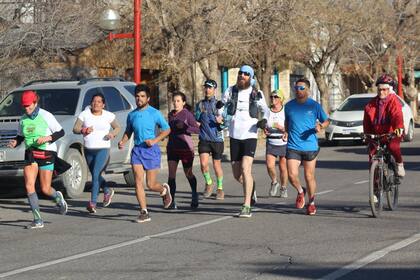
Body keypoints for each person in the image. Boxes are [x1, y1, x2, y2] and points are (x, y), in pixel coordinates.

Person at [8, 90, 68, 229]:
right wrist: (15, 142)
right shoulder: (23, 119)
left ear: (35, 103)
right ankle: (37, 220)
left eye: (29, 106)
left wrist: (48, 138)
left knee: (45, 189)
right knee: (29, 185)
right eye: (25, 106)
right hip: (30, 153)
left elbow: (61, 132)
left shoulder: (46, 115)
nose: (27, 109)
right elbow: (20, 136)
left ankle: (58, 197)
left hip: (46, 152)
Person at [118, 84, 172, 223]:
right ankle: (144, 211)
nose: (139, 99)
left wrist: (155, 140)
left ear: (148, 98)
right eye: (137, 96)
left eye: (142, 96)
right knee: (137, 181)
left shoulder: (155, 113)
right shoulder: (132, 115)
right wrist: (123, 141)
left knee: (151, 184)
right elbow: (128, 131)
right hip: (137, 150)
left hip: (151, 150)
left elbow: (166, 130)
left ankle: (163, 190)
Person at [221, 65, 269, 218]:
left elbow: (266, 110)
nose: (242, 76)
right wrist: (220, 115)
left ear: (251, 77)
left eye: (246, 74)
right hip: (234, 136)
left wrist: (264, 121)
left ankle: (246, 205)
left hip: (250, 135)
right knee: (237, 175)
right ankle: (252, 189)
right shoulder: (230, 90)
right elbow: (222, 107)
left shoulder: (256, 93)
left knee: (245, 168)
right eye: (241, 73)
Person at [283, 78, 329, 216]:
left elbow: (326, 121)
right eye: (296, 88)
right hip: (293, 145)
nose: (298, 90)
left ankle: (312, 203)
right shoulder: (289, 106)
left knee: (309, 176)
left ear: (308, 90)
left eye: (302, 88)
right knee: (291, 175)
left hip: (310, 146)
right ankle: (300, 191)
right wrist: (285, 131)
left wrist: (320, 126)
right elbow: (287, 121)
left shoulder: (314, 106)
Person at [73, 93, 121, 213]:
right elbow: (75, 129)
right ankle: (107, 190)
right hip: (88, 149)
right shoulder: (84, 114)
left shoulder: (108, 115)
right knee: (96, 176)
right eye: (94, 101)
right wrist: (84, 130)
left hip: (103, 149)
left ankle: (92, 203)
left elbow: (117, 127)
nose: (96, 104)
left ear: (103, 104)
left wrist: (112, 134)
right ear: (91, 103)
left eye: (99, 102)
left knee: (95, 174)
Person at [363, 74, 405, 177]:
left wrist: (398, 129)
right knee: (372, 156)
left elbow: (397, 116)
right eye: (379, 90)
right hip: (377, 135)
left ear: (389, 90)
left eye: (384, 90)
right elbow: (367, 123)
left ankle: (399, 164)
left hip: (392, 132)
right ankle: (376, 189)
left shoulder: (394, 101)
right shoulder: (371, 104)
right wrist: (367, 136)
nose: (381, 92)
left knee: (393, 146)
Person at [167, 91, 200, 209]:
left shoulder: (187, 114)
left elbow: (197, 129)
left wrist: (185, 128)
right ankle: (171, 201)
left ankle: (194, 194)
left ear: (183, 102)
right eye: (174, 101)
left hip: (185, 148)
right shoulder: (170, 115)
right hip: (172, 148)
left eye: (178, 101)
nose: (176, 103)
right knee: (171, 175)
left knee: (188, 173)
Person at [194, 79, 225, 200]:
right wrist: (194, 123)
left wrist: (221, 122)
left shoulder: (219, 104)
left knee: (216, 165)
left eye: (210, 87)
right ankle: (209, 183)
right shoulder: (200, 105)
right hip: (204, 138)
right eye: (206, 87)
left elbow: (225, 122)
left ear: (214, 90)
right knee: (203, 164)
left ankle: (220, 188)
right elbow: (197, 119)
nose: (207, 90)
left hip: (217, 139)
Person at [264, 89, 288, 198]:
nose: (273, 99)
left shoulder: (285, 111)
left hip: (283, 141)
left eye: (276, 97)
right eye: (271, 97)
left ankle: (283, 188)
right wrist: (264, 129)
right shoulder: (267, 111)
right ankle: (274, 182)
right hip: (271, 141)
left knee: (283, 167)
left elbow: (290, 126)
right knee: (269, 165)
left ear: (281, 99)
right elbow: (265, 123)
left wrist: (282, 128)